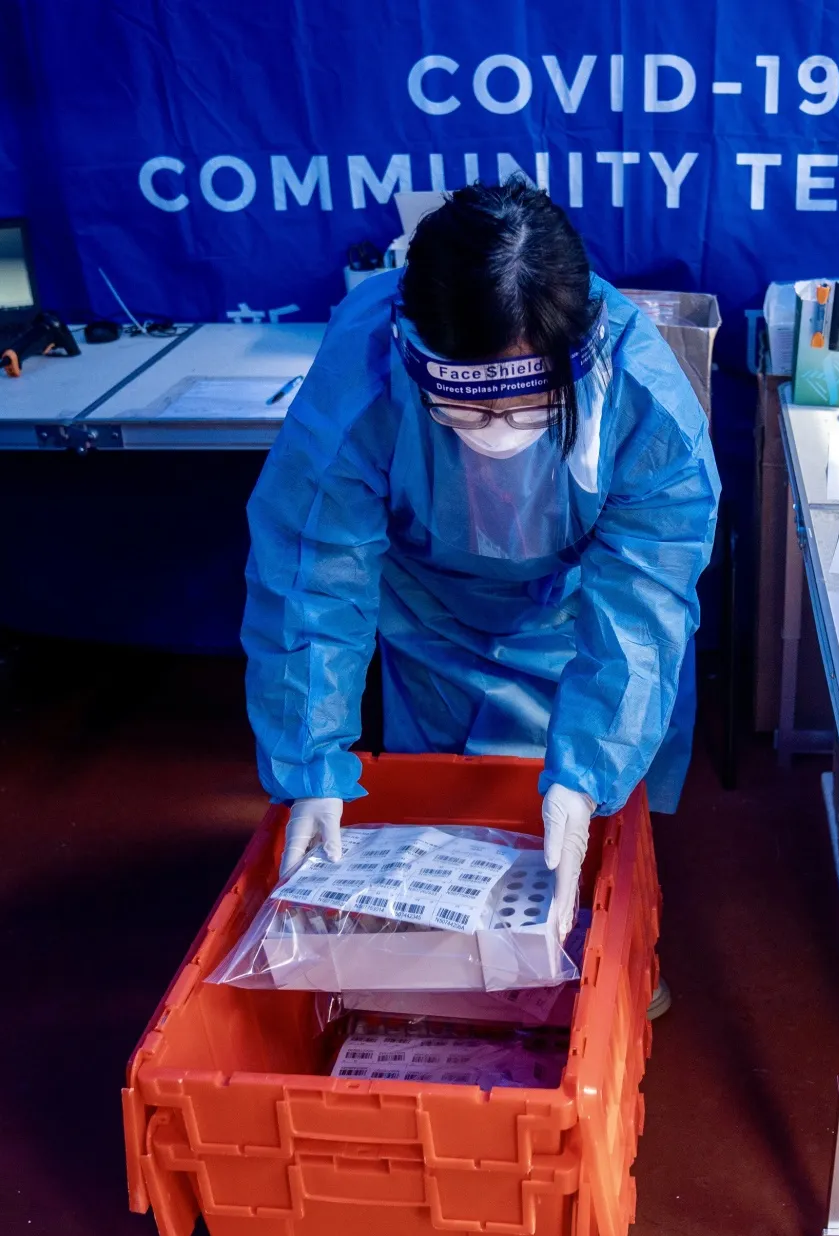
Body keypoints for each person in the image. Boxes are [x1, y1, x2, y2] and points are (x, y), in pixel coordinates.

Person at [242, 181, 719, 974]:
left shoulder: (643, 401)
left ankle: (599, 957)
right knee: (450, 813)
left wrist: (588, 770)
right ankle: (458, 972)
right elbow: (311, 574)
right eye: (466, 414)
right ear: (415, 351)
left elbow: (641, 604)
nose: (498, 439)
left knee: (575, 828)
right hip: (432, 613)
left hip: (579, 620)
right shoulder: (365, 369)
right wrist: (311, 762)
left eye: (530, 411)